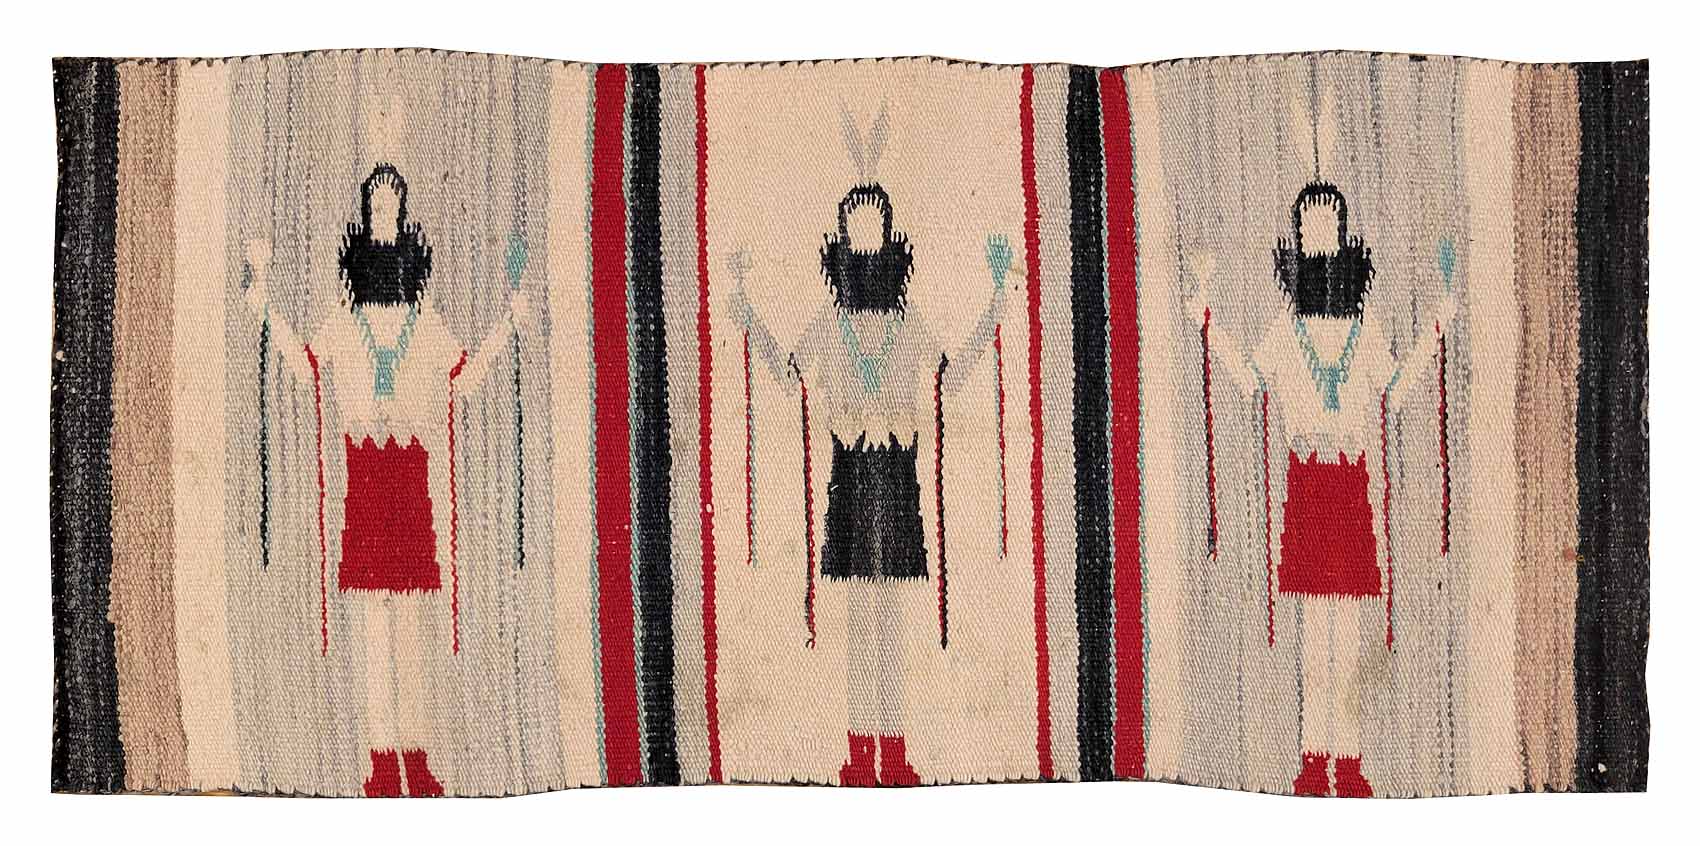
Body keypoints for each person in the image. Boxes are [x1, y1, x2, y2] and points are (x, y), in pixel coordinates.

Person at [242, 164, 533, 796]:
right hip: (368, 477)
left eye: (391, 207)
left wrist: (507, 326)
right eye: (375, 206)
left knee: (410, 622)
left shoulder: (424, 327)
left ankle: (415, 750)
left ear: (403, 225)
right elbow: (308, 365)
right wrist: (264, 303)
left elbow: (463, 377)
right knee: (378, 622)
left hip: (408, 477)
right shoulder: (345, 324)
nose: (383, 216)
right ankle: (380, 754)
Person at [731, 184, 1009, 786]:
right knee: (862, 617)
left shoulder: (909, 327)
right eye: (855, 232)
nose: (864, 244)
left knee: (890, 621)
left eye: (873, 231)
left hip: (896, 475)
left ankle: (895, 743)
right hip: (853, 477)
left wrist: (993, 308)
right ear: (842, 247)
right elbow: (789, 375)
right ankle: (861, 745)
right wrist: (749, 315)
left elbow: (950, 377)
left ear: (889, 245)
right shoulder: (830, 328)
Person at [1185, 181, 1456, 797]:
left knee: (1348, 628)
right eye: (1309, 229)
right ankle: (1314, 756)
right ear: (1297, 245)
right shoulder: (1286, 333)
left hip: (1348, 484)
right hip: (1307, 484)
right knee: (1316, 630)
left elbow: (1394, 392)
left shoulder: (1367, 330)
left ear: (1344, 239)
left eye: (1328, 227)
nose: (1319, 239)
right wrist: (1207, 320)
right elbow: (1251, 382)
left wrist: (1437, 327)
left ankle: (1349, 757)